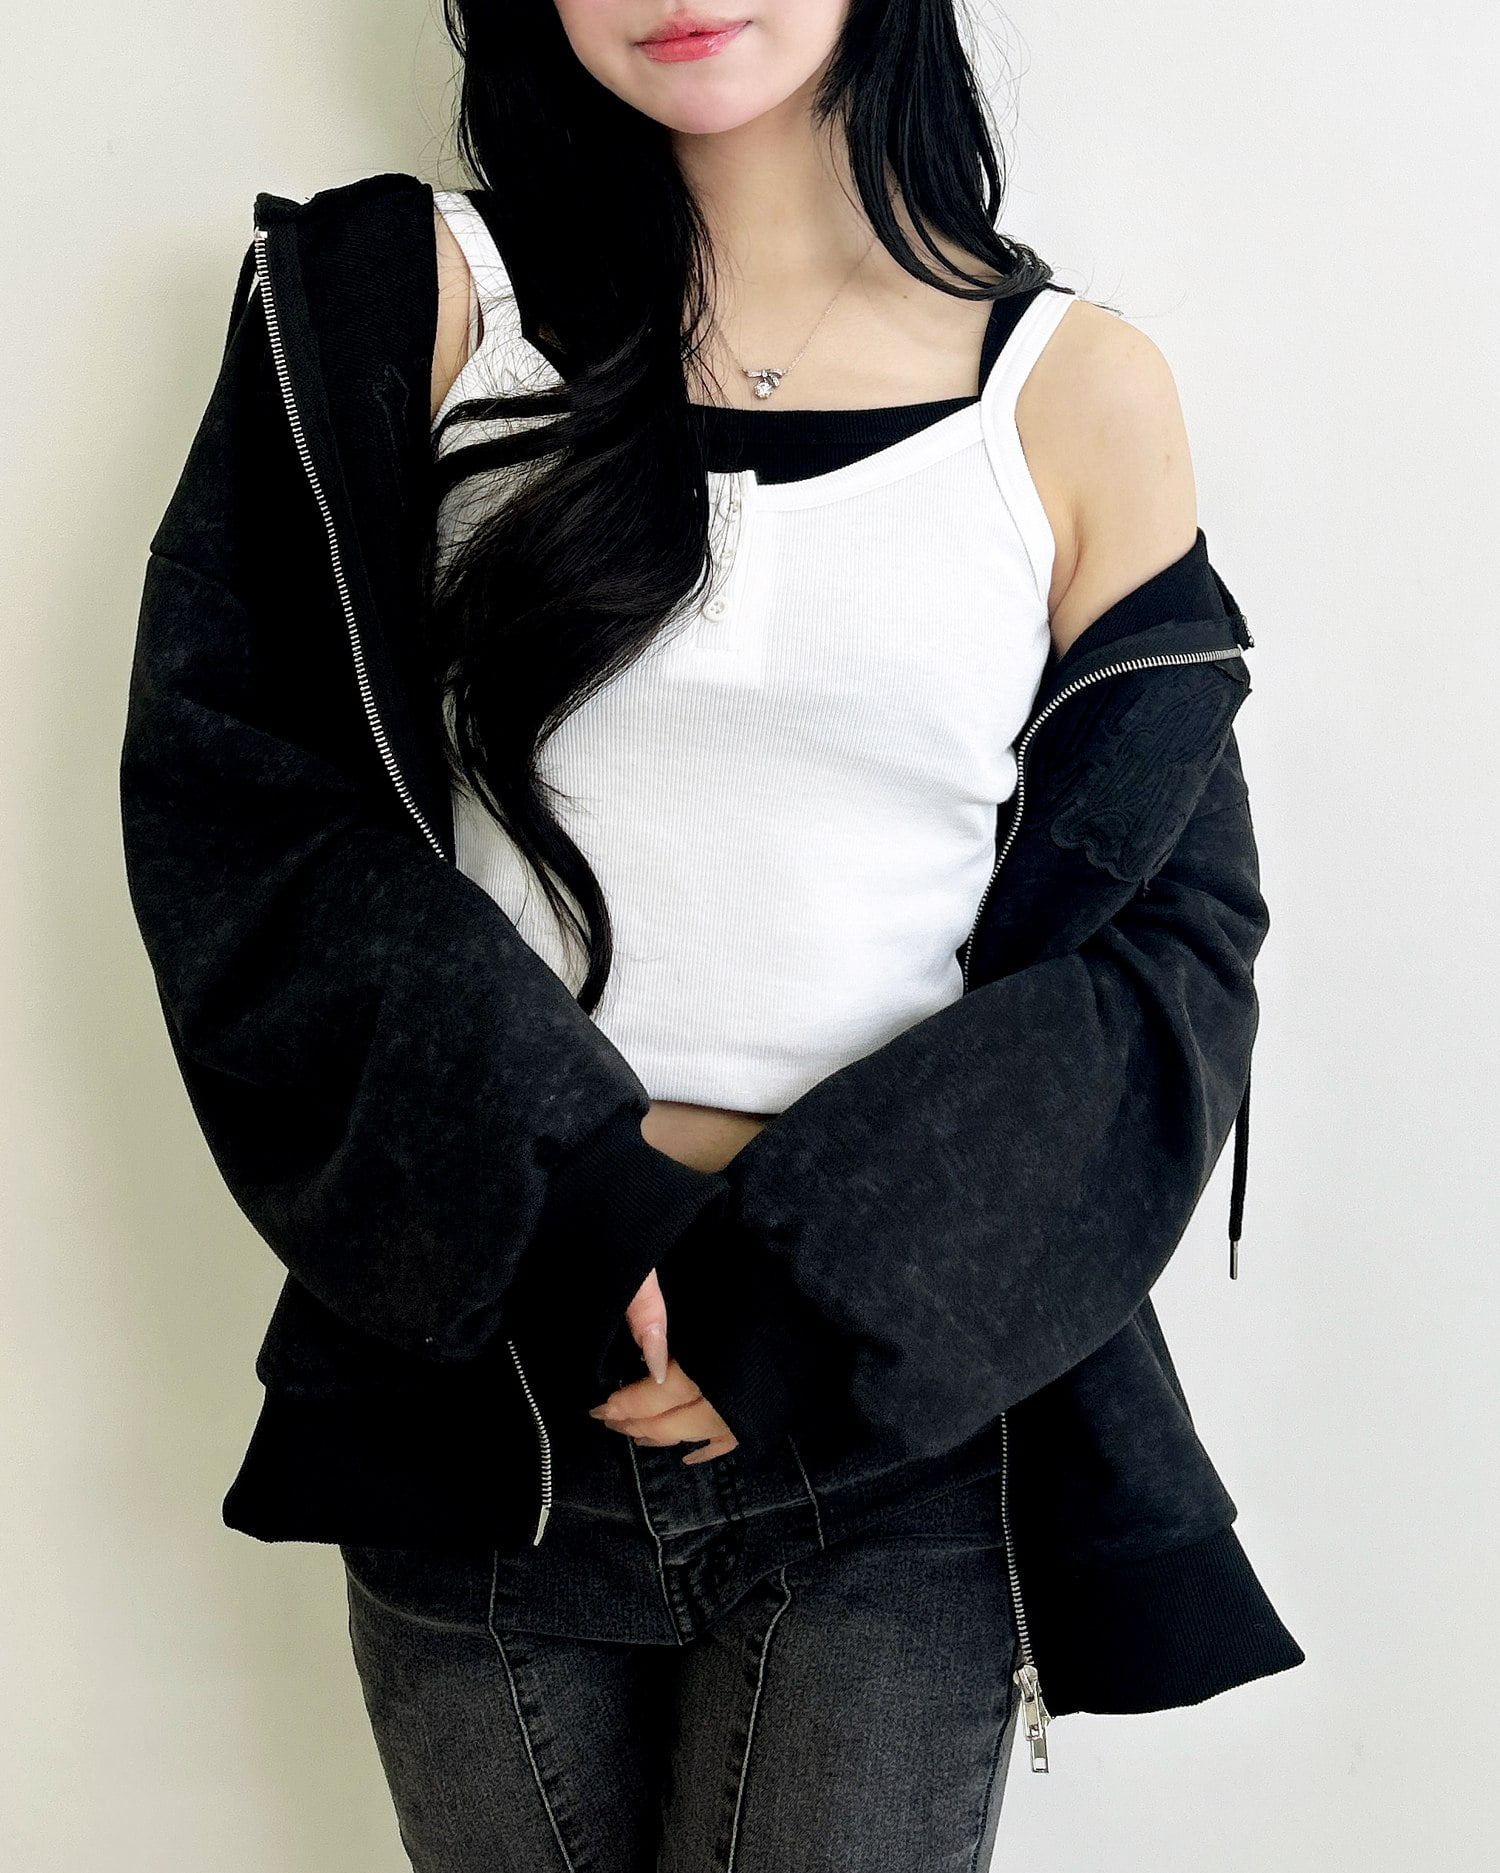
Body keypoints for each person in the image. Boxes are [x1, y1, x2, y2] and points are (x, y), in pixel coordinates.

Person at [118, 3, 1306, 1868]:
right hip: (483, 1403)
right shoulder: (400, 305)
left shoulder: (1076, 391)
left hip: (885, 1433)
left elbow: (1166, 957)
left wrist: (806, 1290)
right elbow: (244, 814)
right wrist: (572, 1208)